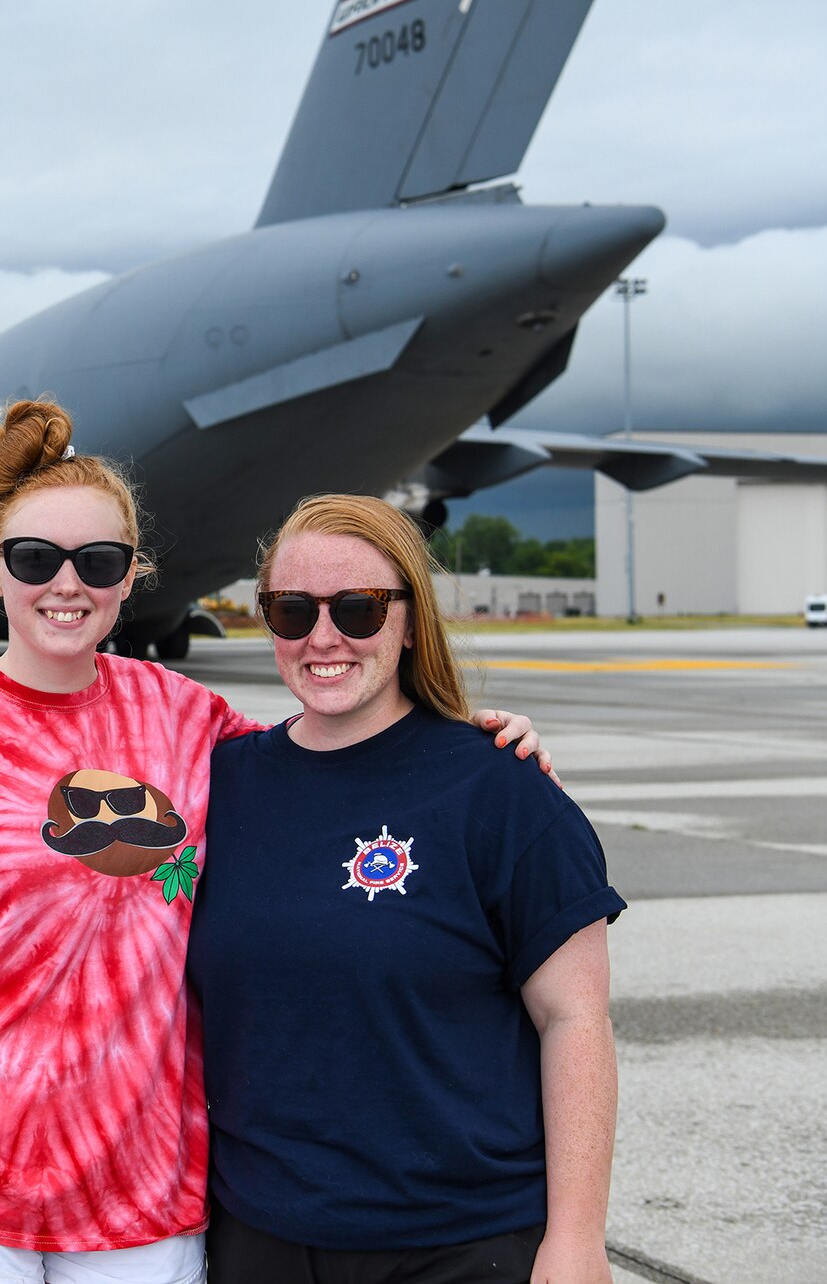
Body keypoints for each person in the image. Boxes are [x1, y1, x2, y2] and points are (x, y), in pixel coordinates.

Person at [0, 402, 552, 1284]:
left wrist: (463, 742)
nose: (67, 583)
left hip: (143, 1185)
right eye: (34, 558)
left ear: (132, 577)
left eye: (99, 561)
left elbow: (328, 752)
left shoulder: (184, 716)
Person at [190, 493, 623, 1284]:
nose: (323, 637)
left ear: (411, 618)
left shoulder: (502, 791)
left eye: (357, 609)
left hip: (459, 1244)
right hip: (259, 1236)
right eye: (291, 609)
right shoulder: (216, 785)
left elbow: (576, 1018)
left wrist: (578, 1237)